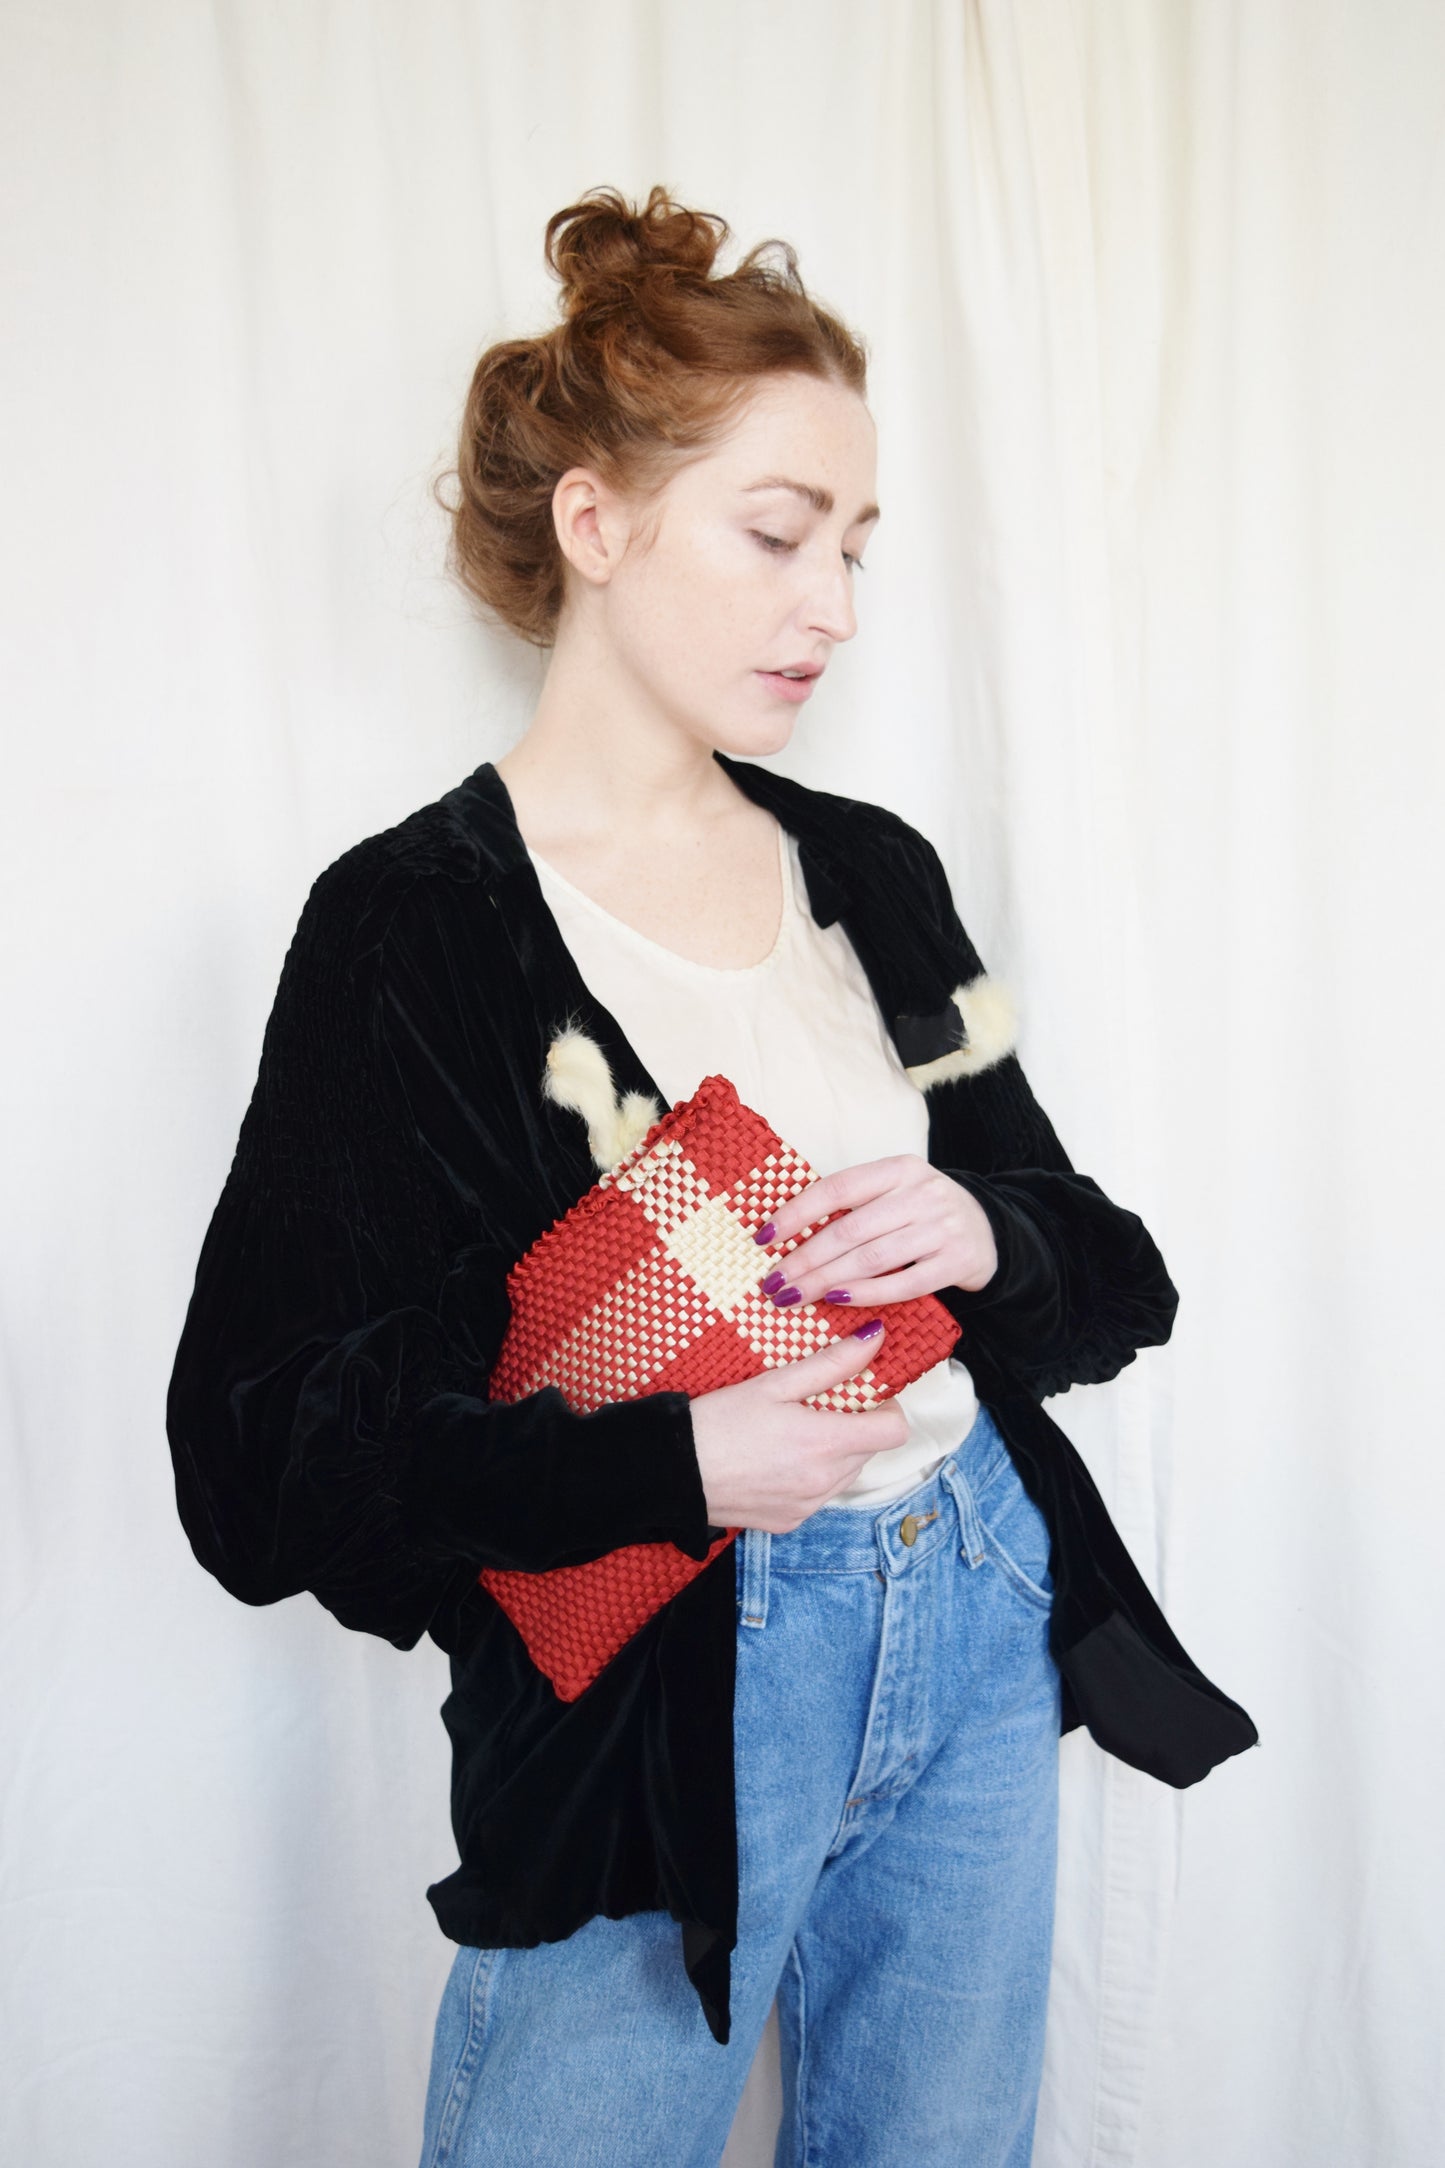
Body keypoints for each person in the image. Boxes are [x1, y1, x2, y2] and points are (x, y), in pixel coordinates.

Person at [166, 184, 1256, 2168]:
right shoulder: (413, 930)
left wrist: (990, 1230)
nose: (833, 604)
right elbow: (259, 1464)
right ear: (595, 524)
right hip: (657, 1691)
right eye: (778, 534)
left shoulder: (880, 880)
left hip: (977, 1607)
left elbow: (1117, 1271)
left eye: (854, 547)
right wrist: (669, 1471)